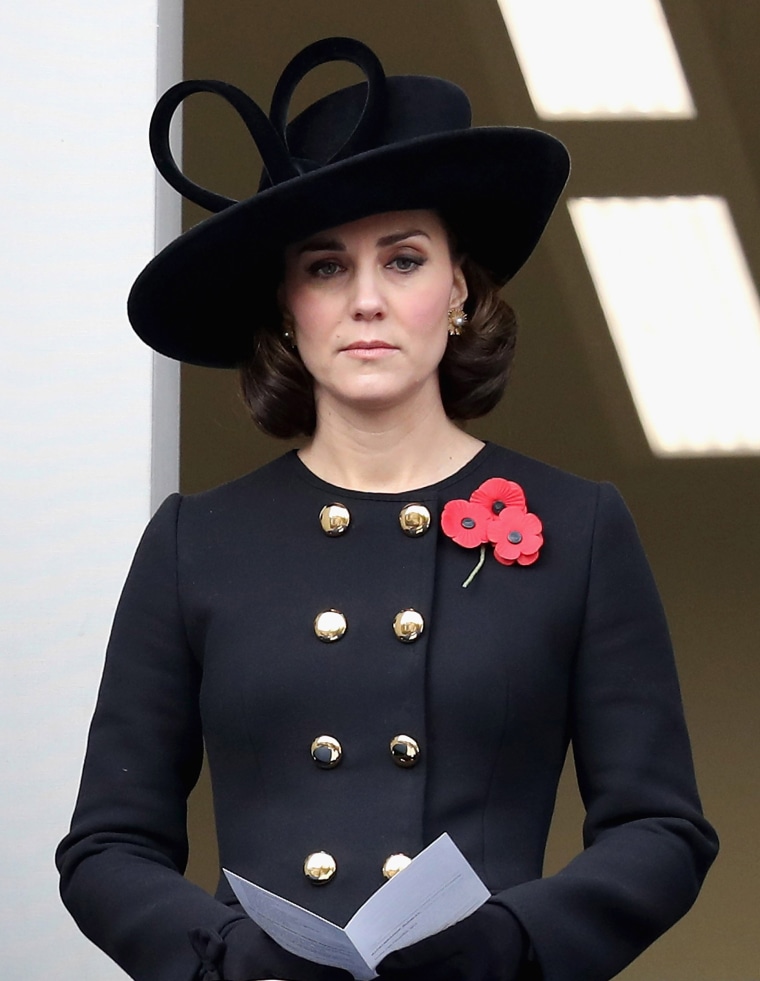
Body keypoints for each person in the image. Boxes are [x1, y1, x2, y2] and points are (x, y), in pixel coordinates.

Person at [56, 36, 718, 981]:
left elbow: (662, 827)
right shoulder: (194, 542)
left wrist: (513, 939)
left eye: (403, 260)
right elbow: (106, 846)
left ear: (458, 289)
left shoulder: (580, 527)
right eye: (326, 267)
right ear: (288, 305)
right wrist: (224, 956)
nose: (365, 299)